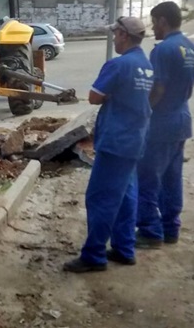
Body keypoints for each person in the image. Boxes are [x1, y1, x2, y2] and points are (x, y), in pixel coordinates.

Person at [63, 16, 153, 273]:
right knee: (126, 194)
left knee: (100, 197)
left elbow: (94, 97)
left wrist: (111, 94)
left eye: (116, 34)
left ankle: (94, 256)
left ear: (124, 35)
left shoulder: (118, 65)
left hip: (116, 142)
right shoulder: (146, 65)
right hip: (136, 139)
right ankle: (124, 248)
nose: (114, 38)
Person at [135, 1, 194, 248]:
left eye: (154, 22)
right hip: (181, 120)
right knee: (172, 178)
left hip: (160, 125)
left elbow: (158, 89)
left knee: (147, 179)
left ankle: (150, 231)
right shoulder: (191, 49)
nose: (153, 28)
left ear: (163, 20)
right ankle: (171, 228)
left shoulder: (162, 50)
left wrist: (143, 113)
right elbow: (188, 89)